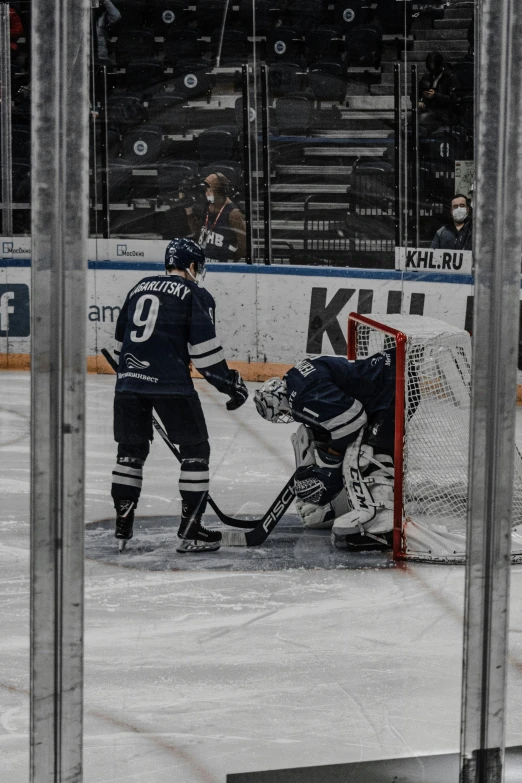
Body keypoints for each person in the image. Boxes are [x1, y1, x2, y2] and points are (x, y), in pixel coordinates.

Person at [110, 238, 248, 553]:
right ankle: (190, 531)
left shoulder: (139, 287)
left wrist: (132, 376)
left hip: (129, 384)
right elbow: (204, 353)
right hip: (171, 383)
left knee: (129, 453)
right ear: (192, 265)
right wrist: (229, 384)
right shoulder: (195, 294)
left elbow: (120, 346)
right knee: (195, 450)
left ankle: (122, 528)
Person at [254, 351, 398, 550]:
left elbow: (353, 420)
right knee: (369, 447)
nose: (285, 415)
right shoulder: (295, 377)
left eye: (281, 412)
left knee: (367, 454)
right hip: (387, 376)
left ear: (279, 399)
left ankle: (383, 523)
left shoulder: (301, 397)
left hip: (391, 384)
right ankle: (366, 507)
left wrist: (332, 457)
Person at [185, 172, 247, 263]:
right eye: (206, 190)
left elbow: (243, 244)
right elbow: (197, 233)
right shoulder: (207, 208)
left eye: (210, 191)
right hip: (204, 264)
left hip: (222, 267)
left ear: (220, 192)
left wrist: (231, 260)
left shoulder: (234, 214)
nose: (206, 194)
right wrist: (189, 212)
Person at [418, 51, 458, 130]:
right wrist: (419, 101)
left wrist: (436, 95)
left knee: (422, 119)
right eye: (430, 69)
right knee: (409, 118)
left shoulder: (450, 77)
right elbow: (416, 93)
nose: (433, 71)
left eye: (434, 69)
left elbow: (453, 99)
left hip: (444, 112)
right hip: (429, 108)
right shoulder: (427, 76)